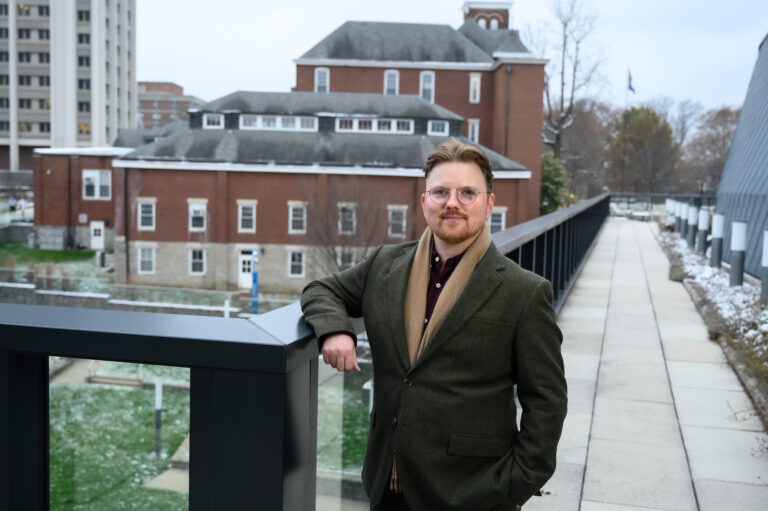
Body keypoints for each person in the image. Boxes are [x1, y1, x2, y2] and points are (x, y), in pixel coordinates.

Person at [301, 139, 567, 511]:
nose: (452, 203)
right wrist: (335, 329)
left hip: (473, 495)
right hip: (385, 484)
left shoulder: (524, 292)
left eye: (467, 193)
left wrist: (511, 489)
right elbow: (321, 289)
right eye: (440, 192)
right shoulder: (384, 265)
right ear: (424, 201)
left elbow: (547, 403)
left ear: (489, 204)